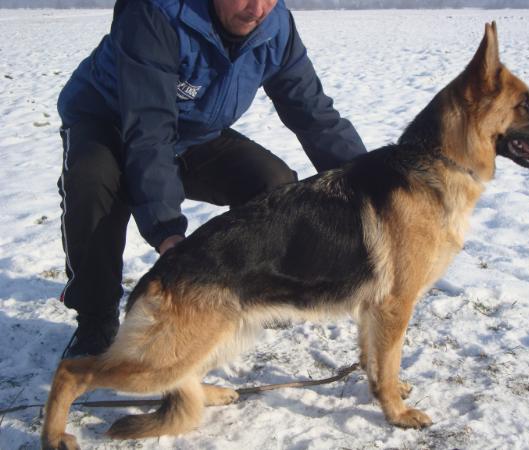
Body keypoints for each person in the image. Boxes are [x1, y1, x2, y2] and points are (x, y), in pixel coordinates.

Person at [56, 0, 366, 359]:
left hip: (191, 133)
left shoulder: (276, 28)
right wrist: (167, 232)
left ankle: (252, 287)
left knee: (273, 183)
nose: (258, 9)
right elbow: (149, 130)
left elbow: (315, 116)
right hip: (110, 122)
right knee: (93, 184)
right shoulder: (156, 15)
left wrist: (373, 186)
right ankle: (95, 317)